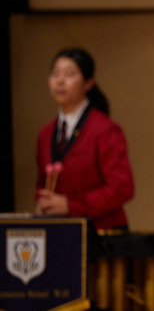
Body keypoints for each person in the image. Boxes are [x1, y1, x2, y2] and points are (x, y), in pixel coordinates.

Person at [34, 48, 134, 230]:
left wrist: (71, 205)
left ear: (88, 83)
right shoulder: (46, 132)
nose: (60, 81)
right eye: (55, 74)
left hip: (101, 232)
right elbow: (42, 182)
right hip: (60, 231)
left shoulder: (104, 129)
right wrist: (42, 203)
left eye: (69, 74)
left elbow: (122, 187)